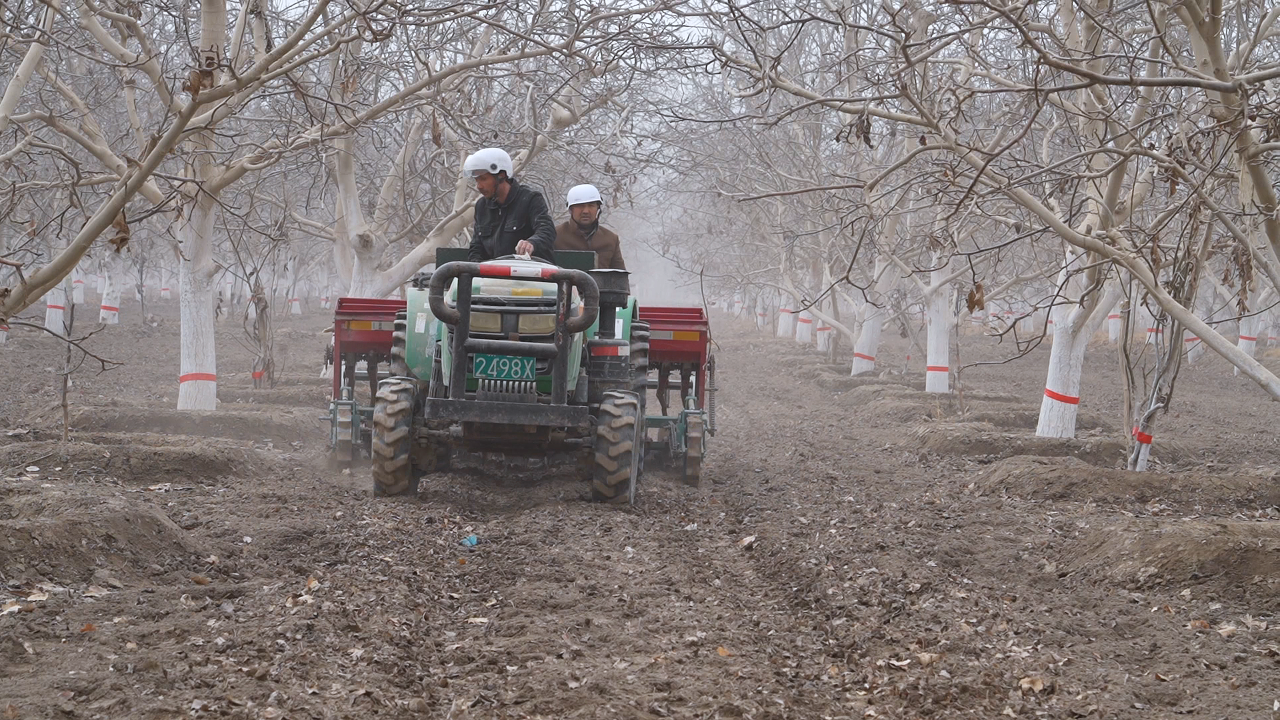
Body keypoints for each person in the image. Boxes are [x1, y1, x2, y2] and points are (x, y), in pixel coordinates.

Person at [464, 148, 556, 263]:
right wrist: (475, 267)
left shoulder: (530, 199)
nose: (479, 186)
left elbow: (546, 230)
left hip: (530, 270)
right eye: (476, 180)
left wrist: (531, 243)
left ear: (501, 176)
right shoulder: (482, 206)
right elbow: (476, 247)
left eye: (483, 179)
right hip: (493, 272)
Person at [554, 184, 626, 270]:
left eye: (591, 205)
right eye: (580, 206)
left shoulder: (611, 239)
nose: (586, 211)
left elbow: (620, 275)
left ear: (598, 208)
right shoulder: (555, 236)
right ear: (570, 209)